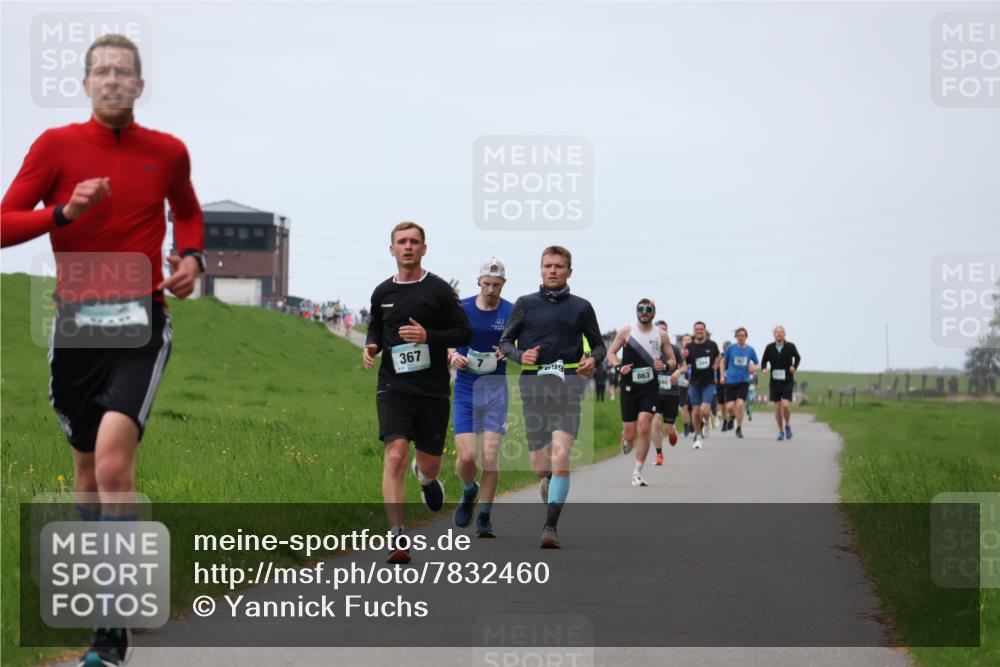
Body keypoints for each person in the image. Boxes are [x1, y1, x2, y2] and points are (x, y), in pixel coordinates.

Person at [1, 34, 204, 667]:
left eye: (125, 72)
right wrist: (61, 212)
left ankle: (110, 625)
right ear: (87, 83)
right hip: (78, 326)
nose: (114, 80)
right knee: (87, 473)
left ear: (140, 86)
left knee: (115, 466)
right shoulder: (55, 147)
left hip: (143, 319)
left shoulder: (167, 152)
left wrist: (192, 258)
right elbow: (5, 222)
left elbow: (189, 214)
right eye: (102, 71)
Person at [363, 221, 472, 563]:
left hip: (433, 391)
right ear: (391, 249)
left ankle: (425, 479)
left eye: (414, 242)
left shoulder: (439, 291)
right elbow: (376, 328)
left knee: (431, 464)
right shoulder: (382, 293)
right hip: (393, 387)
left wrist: (429, 338)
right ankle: (398, 536)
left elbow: (462, 332)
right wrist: (371, 346)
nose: (408, 247)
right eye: (401, 242)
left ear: (424, 249)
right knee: (394, 454)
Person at [499, 246, 605, 548]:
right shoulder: (525, 304)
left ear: (569, 271)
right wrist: (521, 355)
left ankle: (550, 527)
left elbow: (599, 346)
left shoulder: (581, 307)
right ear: (541, 270)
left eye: (559, 266)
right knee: (540, 466)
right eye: (548, 266)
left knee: (562, 456)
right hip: (533, 387)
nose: (553, 270)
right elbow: (505, 342)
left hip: (569, 386)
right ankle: (547, 482)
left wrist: (593, 361)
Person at [448, 258, 514, 538]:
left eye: (496, 285)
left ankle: (484, 516)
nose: (491, 290)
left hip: (496, 389)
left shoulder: (512, 311)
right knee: (466, 458)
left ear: (503, 284)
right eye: (486, 284)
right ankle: (468, 489)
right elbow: (447, 339)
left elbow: (519, 344)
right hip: (465, 389)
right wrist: (452, 354)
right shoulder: (461, 308)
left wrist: (508, 351)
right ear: (478, 281)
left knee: (489, 457)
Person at [605, 300, 676, 486]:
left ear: (653, 312)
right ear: (636, 312)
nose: (644, 312)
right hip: (629, 387)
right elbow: (611, 353)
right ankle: (626, 440)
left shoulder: (661, 334)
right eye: (641, 309)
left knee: (644, 426)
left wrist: (665, 365)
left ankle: (637, 472)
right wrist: (619, 367)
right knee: (630, 435)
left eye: (648, 310)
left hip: (650, 387)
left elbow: (673, 360)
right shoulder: (626, 331)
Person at [650, 321, 686, 465]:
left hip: (671, 393)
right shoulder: (649, 349)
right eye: (658, 330)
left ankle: (673, 433)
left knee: (668, 428)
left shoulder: (674, 350)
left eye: (664, 330)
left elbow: (684, 367)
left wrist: (677, 372)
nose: (661, 333)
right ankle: (659, 454)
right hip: (654, 392)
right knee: (655, 421)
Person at [760, 325, 802, 441]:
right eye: (777, 332)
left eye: (781, 332)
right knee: (778, 407)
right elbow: (764, 361)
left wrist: (794, 366)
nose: (779, 334)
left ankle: (787, 425)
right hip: (774, 382)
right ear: (774, 335)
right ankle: (780, 431)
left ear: (784, 334)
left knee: (786, 405)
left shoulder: (790, 346)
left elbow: (798, 357)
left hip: (787, 381)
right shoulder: (769, 348)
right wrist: (764, 369)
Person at [684, 322, 720, 449]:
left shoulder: (712, 345)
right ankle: (698, 437)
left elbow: (718, 355)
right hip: (694, 383)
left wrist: (717, 364)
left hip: (708, 382)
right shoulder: (689, 346)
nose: (699, 331)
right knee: (695, 412)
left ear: (705, 331)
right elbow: (683, 363)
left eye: (701, 329)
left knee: (704, 410)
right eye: (697, 329)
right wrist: (683, 360)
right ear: (694, 331)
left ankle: (706, 421)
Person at [720, 327, 759, 438]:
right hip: (731, 381)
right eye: (739, 336)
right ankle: (732, 418)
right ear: (736, 337)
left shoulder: (750, 350)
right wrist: (722, 375)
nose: (741, 337)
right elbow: (723, 361)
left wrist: (753, 368)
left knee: (740, 404)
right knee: (729, 407)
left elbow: (757, 363)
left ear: (746, 336)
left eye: (743, 335)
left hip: (743, 381)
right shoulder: (731, 348)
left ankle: (739, 428)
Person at [678, 333, 693, 437]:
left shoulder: (696, 352)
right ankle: (686, 427)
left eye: (689, 339)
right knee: (684, 406)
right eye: (685, 340)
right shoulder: (678, 353)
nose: (687, 341)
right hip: (682, 383)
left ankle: (696, 425)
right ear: (682, 342)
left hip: (694, 383)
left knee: (694, 407)